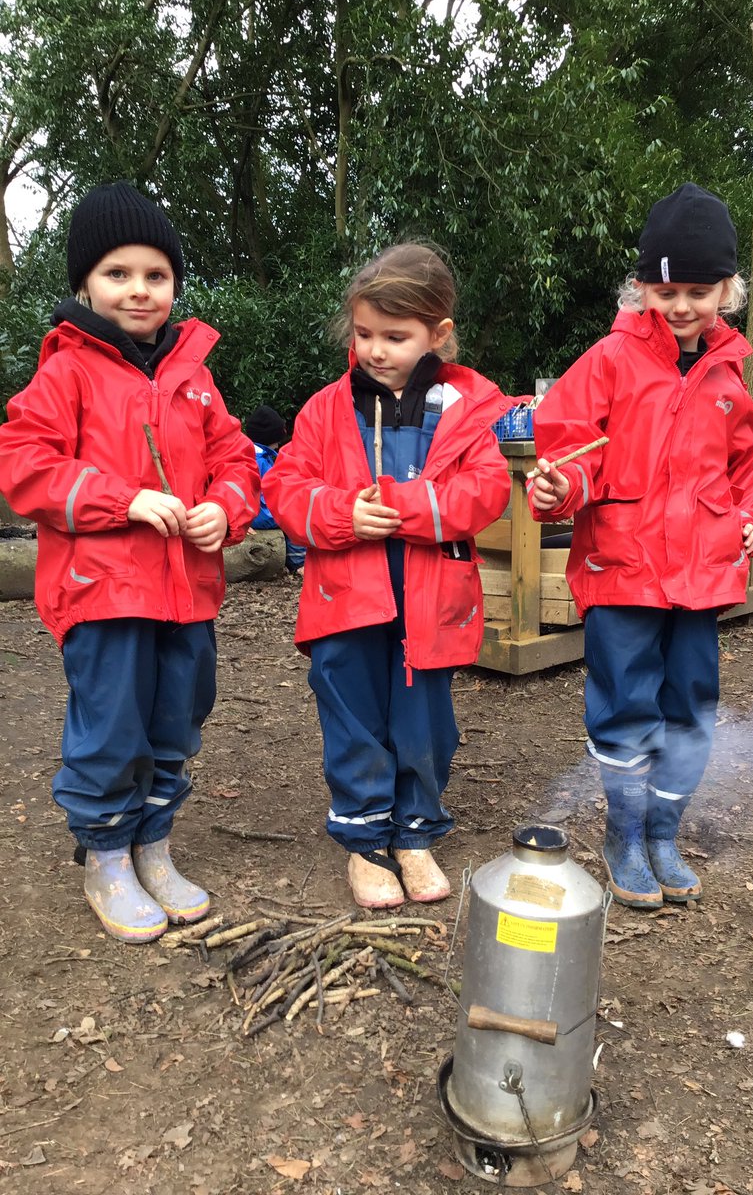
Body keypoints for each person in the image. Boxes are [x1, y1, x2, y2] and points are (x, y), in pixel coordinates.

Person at [0, 182, 260, 943]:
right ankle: (107, 856)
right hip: (103, 593)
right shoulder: (67, 372)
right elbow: (23, 463)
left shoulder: (193, 372)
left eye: (156, 275)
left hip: (188, 592)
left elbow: (236, 455)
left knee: (177, 721)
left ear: (175, 284)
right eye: (118, 274)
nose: (139, 290)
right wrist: (123, 499)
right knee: (111, 728)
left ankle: (155, 844)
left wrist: (226, 504)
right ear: (85, 283)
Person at [529, 183, 753, 909]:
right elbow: (572, 448)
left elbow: (744, 468)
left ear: (727, 290)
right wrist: (559, 491)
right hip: (623, 569)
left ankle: (665, 831)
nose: (681, 305)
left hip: (701, 576)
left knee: (692, 704)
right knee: (625, 706)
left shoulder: (728, 373)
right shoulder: (609, 359)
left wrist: (752, 519)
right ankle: (624, 833)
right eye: (665, 289)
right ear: (640, 289)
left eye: (699, 289)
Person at [264, 243, 511, 909]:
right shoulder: (325, 409)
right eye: (365, 334)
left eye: (396, 337)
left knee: (426, 723)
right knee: (352, 718)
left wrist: (397, 508)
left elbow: (485, 494)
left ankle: (416, 832)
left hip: (431, 602)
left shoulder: (465, 410)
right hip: (344, 598)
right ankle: (366, 840)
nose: (376, 350)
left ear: (439, 335)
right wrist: (342, 513)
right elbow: (285, 487)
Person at [245, 404, 306, 573]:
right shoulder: (262, 460)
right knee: (295, 513)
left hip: (252, 513)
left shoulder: (251, 455)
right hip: (261, 514)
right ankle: (299, 562)